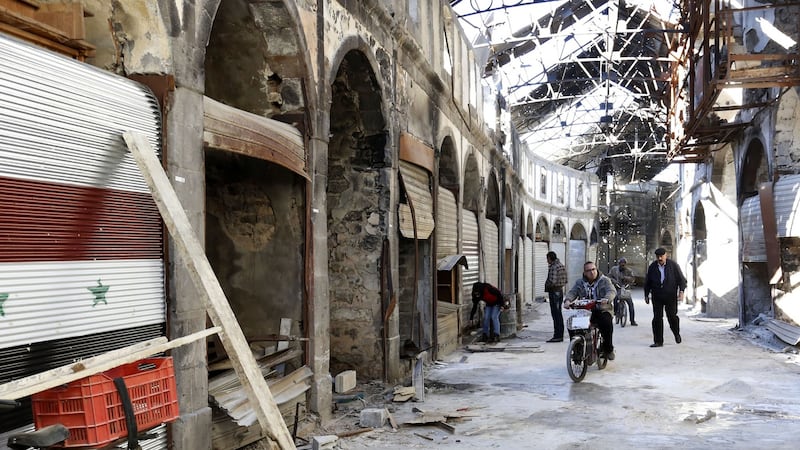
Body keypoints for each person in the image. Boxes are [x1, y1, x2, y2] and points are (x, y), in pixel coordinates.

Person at [564, 261, 616, 360]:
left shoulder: (605, 280)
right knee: (572, 324)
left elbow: (612, 291)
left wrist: (607, 298)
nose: (592, 272)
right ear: (584, 273)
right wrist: (567, 301)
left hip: (601, 310)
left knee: (606, 322)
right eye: (588, 270)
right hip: (584, 311)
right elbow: (573, 292)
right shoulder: (580, 282)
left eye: (593, 269)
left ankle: (608, 349)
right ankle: (577, 349)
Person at [643, 247, 687, 347]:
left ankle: (676, 333)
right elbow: (648, 282)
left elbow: (682, 280)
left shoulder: (673, 265)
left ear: (665, 255)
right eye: (658, 256)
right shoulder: (653, 267)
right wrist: (646, 294)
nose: (660, 258)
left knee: (672, 316)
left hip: (670, 296)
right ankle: (658, 341)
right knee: (657, 318)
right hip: (657, 296)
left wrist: (681, 291)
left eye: (661, 256)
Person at [544, 251, 568, 342]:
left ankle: (557, 335)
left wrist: (548, 285)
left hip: (554, 292)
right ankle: (559, 334)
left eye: (547, 259)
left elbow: (552, 281)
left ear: (550, 258)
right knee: (559, 313)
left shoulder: (554, 267)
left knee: (555, 314)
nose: (547, 261)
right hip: (560, 291)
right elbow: (566, 280)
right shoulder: (561, 265)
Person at [608, 257, 638, 326]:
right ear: (619, 264)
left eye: (624, 264)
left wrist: (626, 278)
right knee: (615, 299)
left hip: (626, 289)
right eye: (621, 264)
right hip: (617, 288)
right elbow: (609, 276)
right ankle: (616, 312)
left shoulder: (629, 271)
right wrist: (614, 282)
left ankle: (632, 320)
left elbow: (633, 279)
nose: (622, 265)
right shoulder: (614, 269)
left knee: (630, 304)